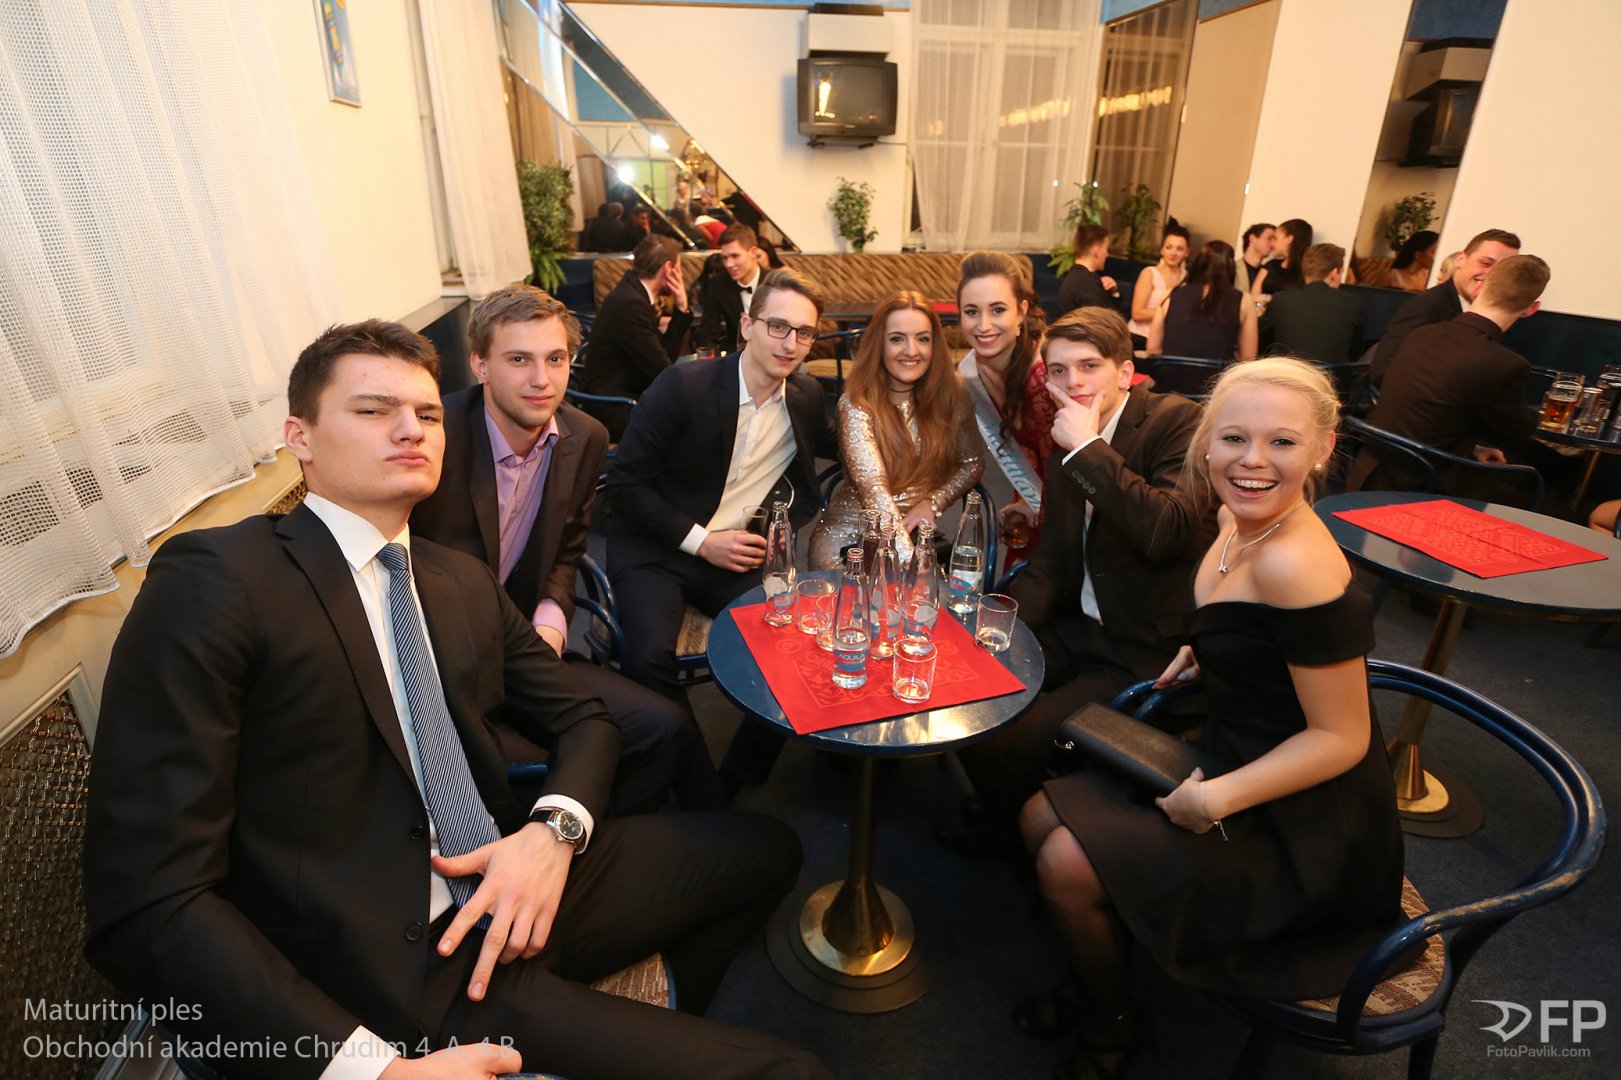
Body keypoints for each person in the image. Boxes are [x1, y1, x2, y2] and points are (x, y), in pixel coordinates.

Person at [83, 320, 829, 1080]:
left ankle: (621, 1030)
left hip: (511, 875)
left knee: (768, 850)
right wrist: (373, 1073)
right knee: (791, 1072)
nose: (411, 429)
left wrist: (552, 833)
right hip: (403, 967)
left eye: (429, 413)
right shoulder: (222, 578)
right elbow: (147, 902)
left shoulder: (455, 579)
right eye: (373, 410)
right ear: (299, 437)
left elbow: (582, 716)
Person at [1018, 356, 1404, 1078]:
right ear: (1205, 443)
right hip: (1238, 748)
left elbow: (1343, 737)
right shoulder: (1234, 517)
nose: (1252, 461)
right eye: (1232, 438)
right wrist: (1212, 648)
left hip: (1303, 818)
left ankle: (1111, 1029)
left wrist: (1217, 798)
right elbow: (1252, 619)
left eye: (1282, 442)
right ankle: (1097, 974)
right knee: (1039, 814)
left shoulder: (1294, 563)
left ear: (1323, 448)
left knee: (1065, 862)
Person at [411, 285, 725, 812]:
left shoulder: (585, 437)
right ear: (480, 365)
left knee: (664, 727)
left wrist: (552, 619)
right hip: (438, 667)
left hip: (523, 648)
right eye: (519, 360)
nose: (542, 379)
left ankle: (656, 837)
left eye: (555, 359)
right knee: (515, 780)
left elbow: (567, 549)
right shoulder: (432, 436)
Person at [945, 307, 1212, 855]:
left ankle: (1008, 830)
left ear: (1125, 372)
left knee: (1008, 738)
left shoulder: (1174, 421)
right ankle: (1003, 801)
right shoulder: (1067, 434)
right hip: (1078, 626)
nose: (1073, 382)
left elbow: (1164, 531)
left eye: (1089, 366)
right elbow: (1053, 563)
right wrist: (996, 627)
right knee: (963, 685)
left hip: (1141, 646)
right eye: (1059, 371)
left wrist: (1089, 448)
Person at [603, 268, 834, 791]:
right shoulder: (684, 385)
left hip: (733, 554)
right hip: (657, 548)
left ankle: (738, 777)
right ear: (747, 326)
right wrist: (702, 542)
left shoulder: (803, 396)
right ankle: (695, 786)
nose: (790, 343)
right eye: (778, 326)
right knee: (647, 658)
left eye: (804, 333)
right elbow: (624, 484)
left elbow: (843, 448)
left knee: (797, 644)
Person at [1348, 255, 1551, 502]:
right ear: (1531, 309)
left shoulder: (1422, 334)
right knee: (1545, 496)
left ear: (1479, 288)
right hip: (1428, 486)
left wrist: (1473, 448)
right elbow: (1518, 430)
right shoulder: (1504, 364)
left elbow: (1427, 415)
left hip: (1370, 471)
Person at [808, 292, 986, 569]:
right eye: (897, 339)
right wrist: (915, 567)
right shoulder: (856, 403)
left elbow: (972, 462)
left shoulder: (952, 392)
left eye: (923, 339)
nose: (911, 350)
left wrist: (933, 502)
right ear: (879, 345)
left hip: (914, 533)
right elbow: (874, 491)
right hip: (849, 542)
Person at [956, 251, 1056, 568]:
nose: (983, 325)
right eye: (972, 312)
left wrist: (1035, 504)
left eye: (997, 310)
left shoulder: (1044, 375)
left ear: (1022, 311)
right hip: (1031, 495)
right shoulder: (971, 372)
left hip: (1070, 507)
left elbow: (1064, 469)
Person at [1369, 228, 1521, 387]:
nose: (1492, 275)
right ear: (1460, 260)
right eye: (1486, 263)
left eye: (1502, 270)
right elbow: (1384, 371)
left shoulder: (1496, 313)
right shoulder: (1428, 305)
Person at [576, 234, 693, 440]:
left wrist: (681, 308)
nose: (681, 274)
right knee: (692, 419)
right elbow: (663, 368)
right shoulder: (630, 303)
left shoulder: (633, 292)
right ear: (668, 268)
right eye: (679, 268)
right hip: (615, 406)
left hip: (628, 394)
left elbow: (663, 355)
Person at [1147, 239, 1257, 361]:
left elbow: (1152, 348)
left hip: (1170, 371)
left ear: (1197, 264)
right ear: (1231, 268)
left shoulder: (1170, 295)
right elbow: (1248, 357)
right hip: (1219, 373)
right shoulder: (1245, 301)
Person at [1258, 242, 1364, 365]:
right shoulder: (1353, 304)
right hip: (1330, 375)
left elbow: (1261, 344)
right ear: (1334, 273)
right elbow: (1355, 353)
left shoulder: (1281, 300)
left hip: (1286, 372)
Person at [696, 224, 765, 354]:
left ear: (753, 252)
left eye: (735, 256)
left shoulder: (774, 283)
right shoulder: (717, 284)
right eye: (725, 258)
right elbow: (708, 334)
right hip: (735, 356)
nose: (728, 264)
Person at [1127, 223, 1190, 346]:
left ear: (1187, 252)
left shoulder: (1187, 277)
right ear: (1162, 250)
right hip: (1140, 336)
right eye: (1169, 247)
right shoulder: (1149, 273)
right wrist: (1171, 313)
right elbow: (1137, 313)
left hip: (1169, 338)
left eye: (1179, 249)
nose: (1173, 253)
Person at [1055, 223, 1120, 318]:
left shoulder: (1076, 276)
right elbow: (1101, 321)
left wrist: (1113, 292)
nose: (1107, 254)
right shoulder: (1088, 282)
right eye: (1106, 249)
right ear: (1096, 250)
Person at [1249, 217, 1312, 298]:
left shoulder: (1307, 271)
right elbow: (1253, 297)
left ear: (1289, 239)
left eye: (1275, 238)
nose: (1271, 243)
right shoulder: (1270, 265)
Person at [1235, 222, 1275, 294]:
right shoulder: (1231, 269)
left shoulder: (1269, 274)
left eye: (1274, 240)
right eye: (1269, 238)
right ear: (1252, 238)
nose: (1272, 244)